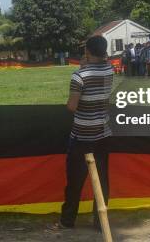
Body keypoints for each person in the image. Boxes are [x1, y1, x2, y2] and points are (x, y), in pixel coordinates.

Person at [57, 36, 113, 230]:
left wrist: (81, 69)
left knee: (75, 180)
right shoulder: (110, 70)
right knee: (102, 179)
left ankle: (68, 220)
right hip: (103, 133)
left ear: (87, 52)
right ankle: (100, 222)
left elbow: (72, 106)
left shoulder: (79, 76)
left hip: (82, 136)